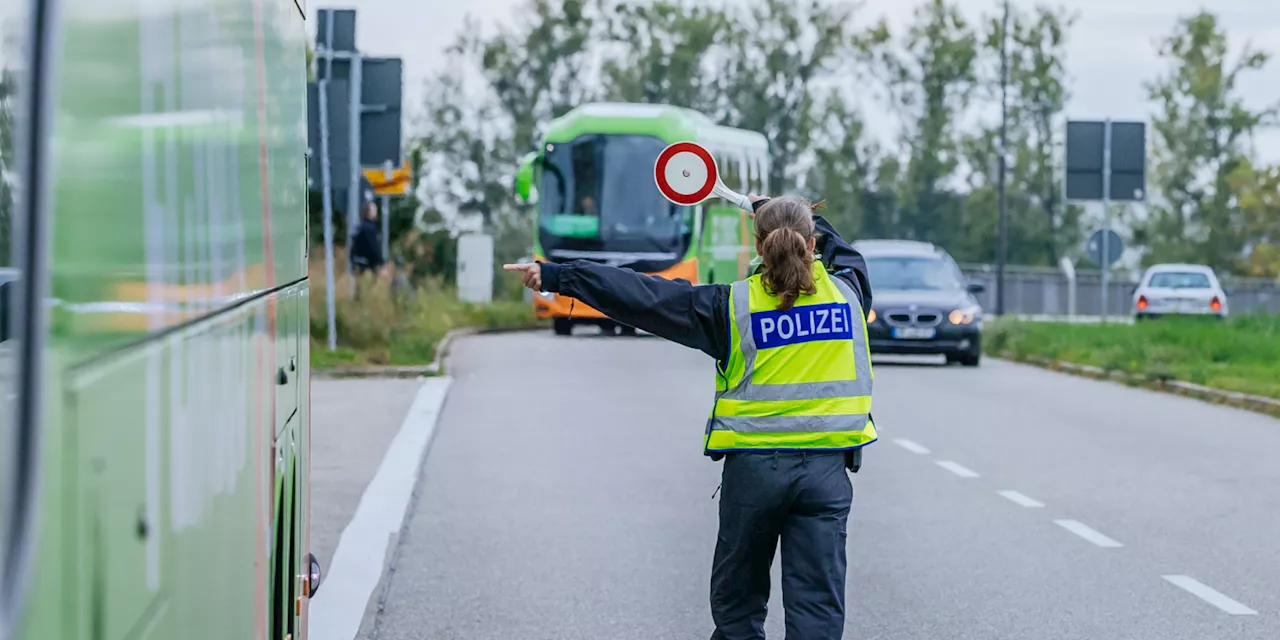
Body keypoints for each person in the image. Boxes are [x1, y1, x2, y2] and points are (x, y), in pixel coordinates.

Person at [504, 194, 876, 640]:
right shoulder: (850, 294)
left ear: (759, 247)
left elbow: (643, 296)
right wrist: (773, 205)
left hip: (754, 476)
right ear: (812, 244)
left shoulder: (731, 307)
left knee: (738, 607)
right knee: (817, 609)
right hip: (825, 474)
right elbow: (847, 252)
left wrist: (560, 275)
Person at [350, 201, 384, 276]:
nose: (376, 213)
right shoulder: (370, 228)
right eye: (374, 211)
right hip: (367, 264)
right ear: (369, 213)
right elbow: (373, 246)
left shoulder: (361, 227)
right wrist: (380, 261)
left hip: (358, 261)